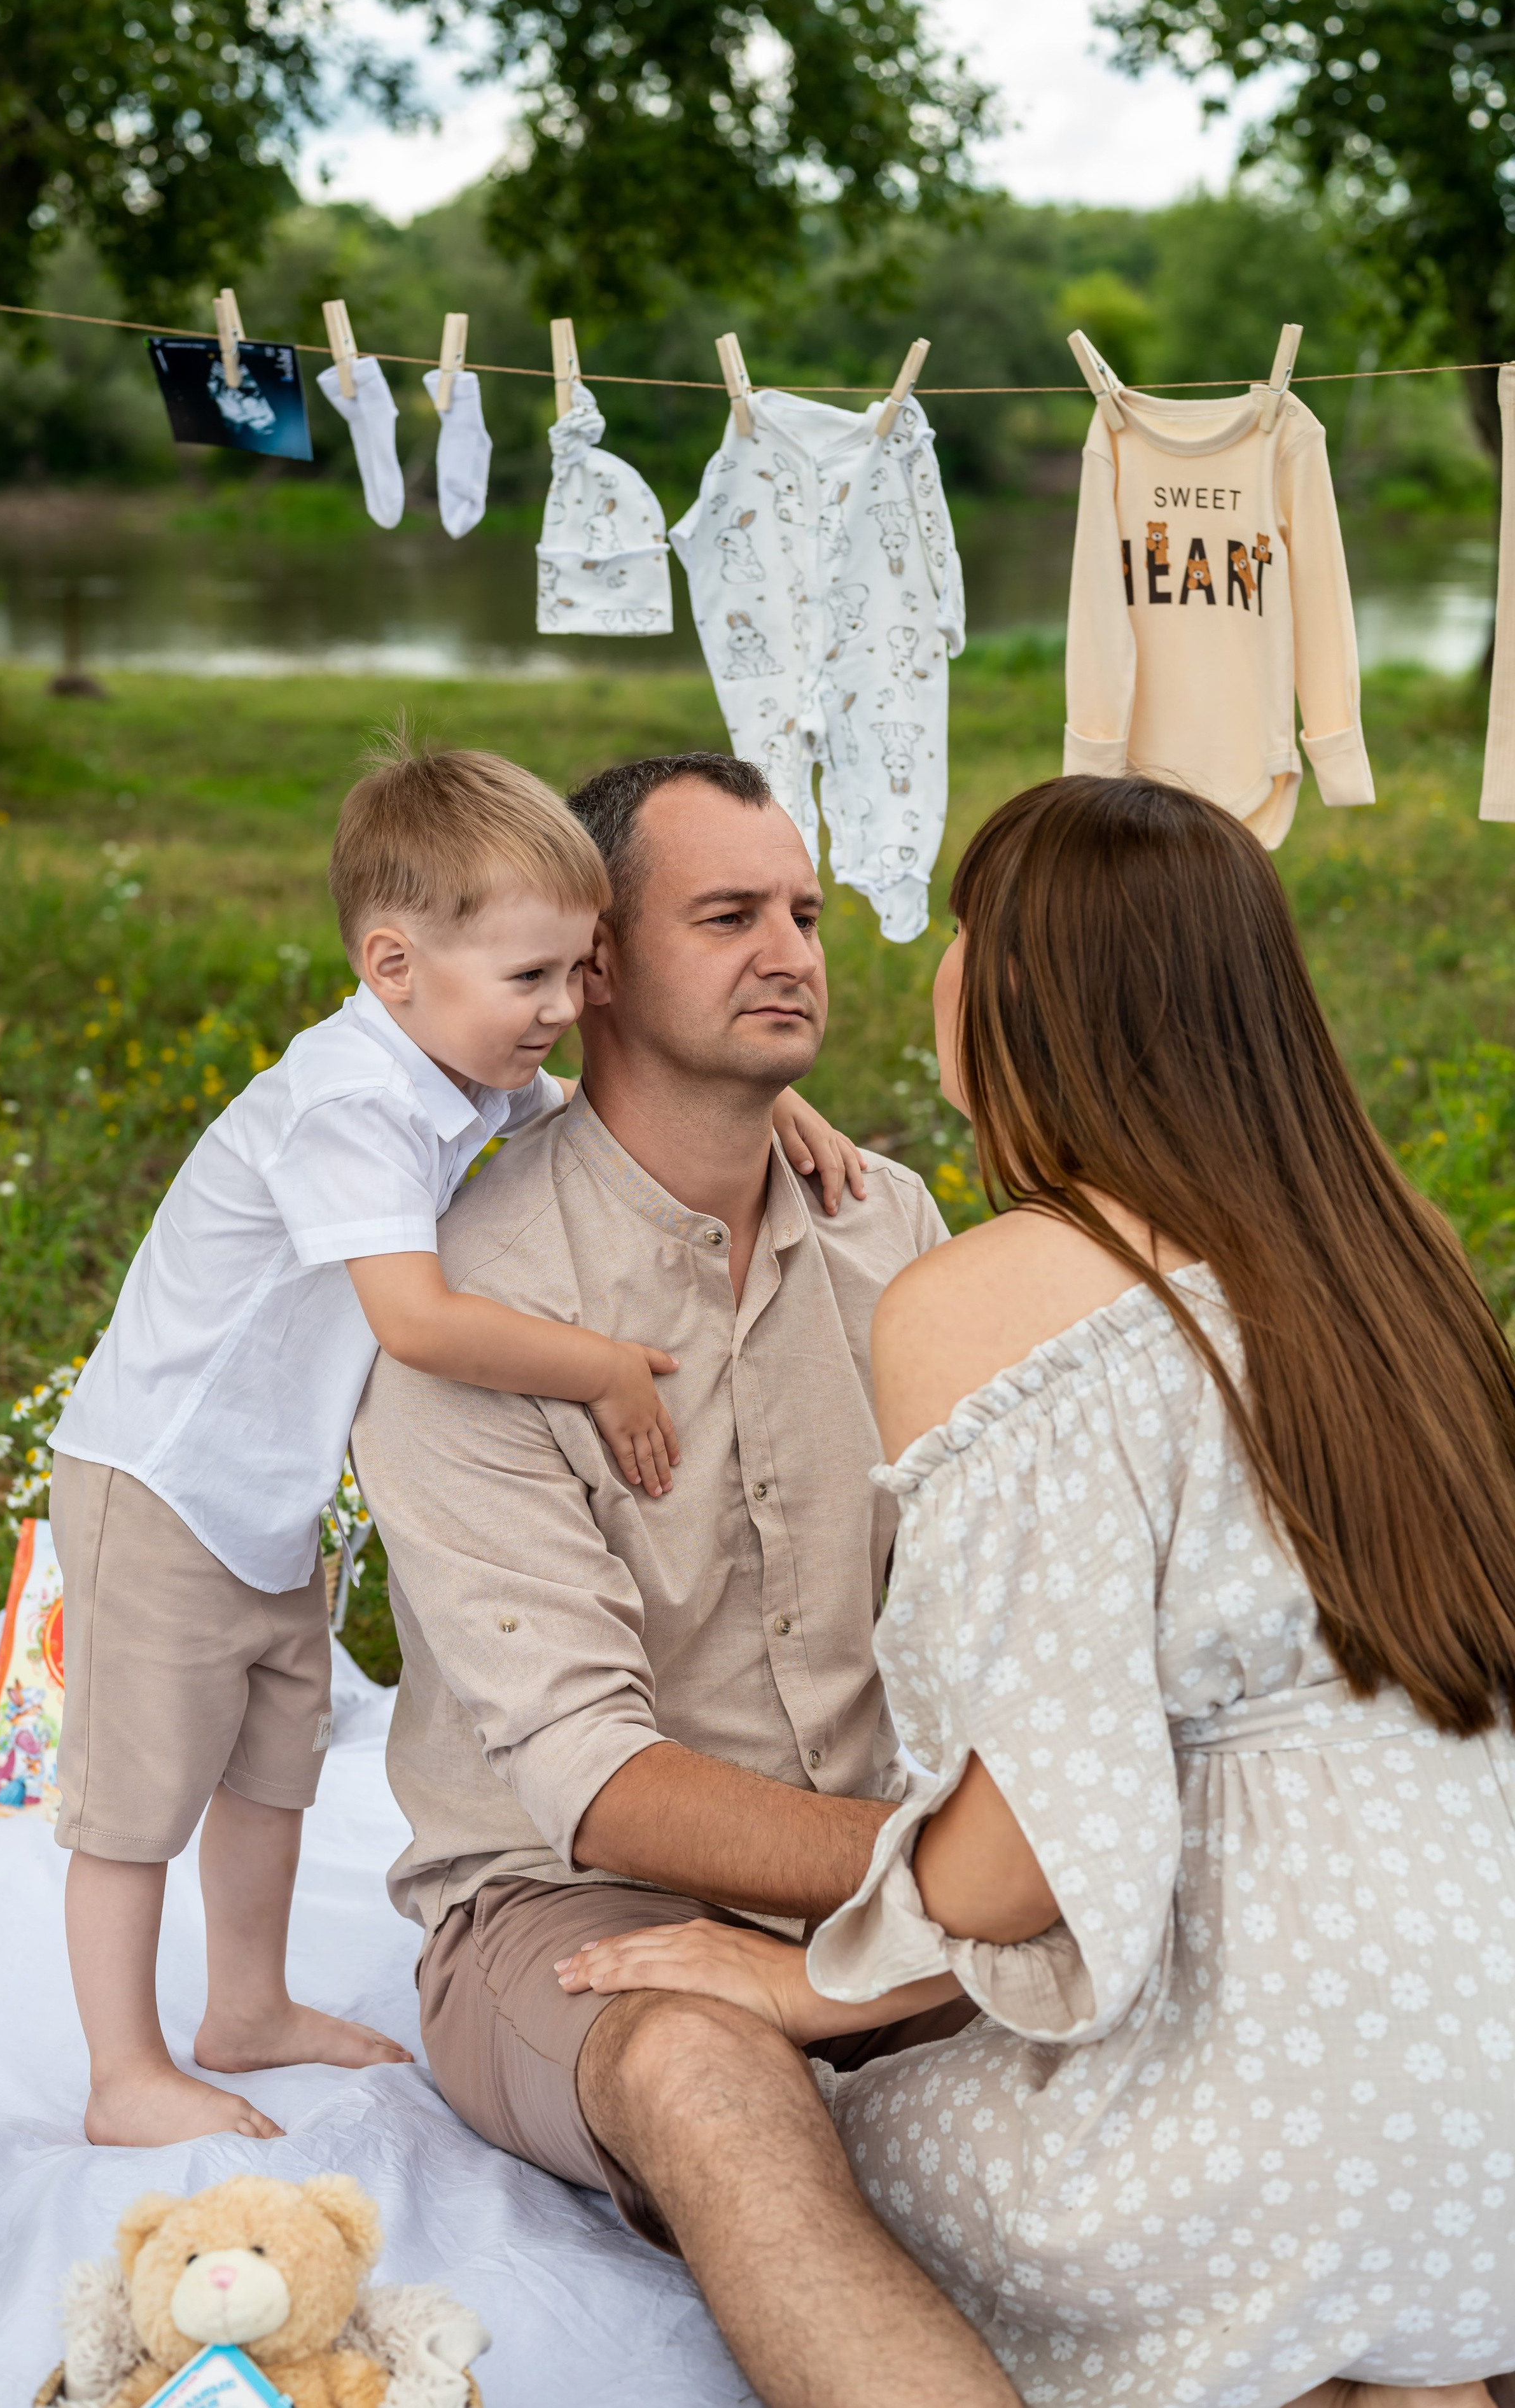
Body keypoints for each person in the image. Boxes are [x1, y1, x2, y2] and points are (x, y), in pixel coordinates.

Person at [560, 773, 1515, 2408]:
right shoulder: (1396, 1257)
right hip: (1480, 2085)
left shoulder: (989, 1296)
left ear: (1023, 993)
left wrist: (796, 1979)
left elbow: (1023, 1850)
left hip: (1264, 2091)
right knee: (1353, 2280)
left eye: (957, 930)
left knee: (811, 2163)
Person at [46, 736, 855, 2149]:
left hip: (264, 1497)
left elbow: (621, 1103)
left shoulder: (465, 1057)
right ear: (392, 963)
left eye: (572, 973)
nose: (558, 1010)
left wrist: (768, 1088)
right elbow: (417, 1321)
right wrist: (600, 1367)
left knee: (271, 1760)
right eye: (531, 981)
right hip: (160, 1479)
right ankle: (122, 2070)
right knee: (134, 1795)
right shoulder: (351, 1103)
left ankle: (247, 2007)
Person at [349, 750, 1026, 2408]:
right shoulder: (466, 1305)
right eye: (727, 915)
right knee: (707, 2078)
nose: (792, 949)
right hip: (581, 1904)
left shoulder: (895, 1227)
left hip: (904, 1856)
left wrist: (978, 1892)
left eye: (799, 910)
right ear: (592, 968)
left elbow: (990, 1603)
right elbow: (597, 1785)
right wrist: (972, 1888)